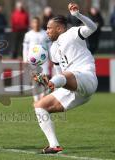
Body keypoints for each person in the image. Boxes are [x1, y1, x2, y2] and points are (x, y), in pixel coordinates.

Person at [33, 3, 97, 154]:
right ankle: (54, 145)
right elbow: (59, 77)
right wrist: (49, 82)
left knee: (65, 75)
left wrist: (77, 16)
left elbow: (93, 27)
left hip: (86, 78)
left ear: (60, 28)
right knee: (39, 106)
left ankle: (48, 83)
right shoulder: (53, 49)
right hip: (74, 90)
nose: (47, 30)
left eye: (49, 28)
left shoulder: (72, 33)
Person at [23, 17, 50, 101]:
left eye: (37, 22)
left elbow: (49, 46)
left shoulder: (45, 33)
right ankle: (36, 99)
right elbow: (25, 48)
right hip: (33, 60)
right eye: (34, 23)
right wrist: (25, 60)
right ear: (32, 24)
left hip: (44, 60)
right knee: (35, 79)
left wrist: (52, 58)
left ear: (40, 23)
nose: (36, 24)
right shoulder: (28, 35)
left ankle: (43, 97)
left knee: (44, 79)